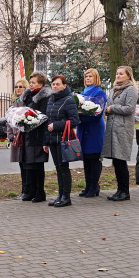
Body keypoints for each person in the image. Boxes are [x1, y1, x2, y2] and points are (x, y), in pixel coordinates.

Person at [102, 66, 138, 202]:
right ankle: (119, 190)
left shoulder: (131, 90)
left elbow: (129, 108)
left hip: (122, 129)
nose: (117, 75)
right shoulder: (113, 89)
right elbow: (108, 106)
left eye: (121, 74)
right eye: (117, 73)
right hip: (112, 128)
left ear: (128, 76)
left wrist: (112, 108)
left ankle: (125, 191)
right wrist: (107, 110)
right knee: (115, 161)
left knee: (121, 160)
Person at [43, 75, 79, 207]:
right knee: (58, 168)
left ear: (64, 85)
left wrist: (56, 126)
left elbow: (74, 121)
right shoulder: (51, 100)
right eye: (53, 84)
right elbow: (48, 121)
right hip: (52, 140)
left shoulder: (69, 100)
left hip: (63, 139)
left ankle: (66, 197)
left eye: (58, 84)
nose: (55, 86)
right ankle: (60, 195)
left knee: (64, 168)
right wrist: (45, 142)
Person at [19, 72, 53, 203]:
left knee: (37, 166)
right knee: (28, 165)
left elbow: (43, 116)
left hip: (38, 135)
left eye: (33, 82)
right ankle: (30, 191)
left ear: (41, 84)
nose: (31, 85)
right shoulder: (27, 96)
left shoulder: (44, 98)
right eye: (30, 82)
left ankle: (40, 192)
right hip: (27, 134)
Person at [77, 68, 107, 198]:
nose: (88, 78)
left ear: (96, 78)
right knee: (86, 159)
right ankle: (88, 185)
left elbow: (97, 113)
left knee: (94, 159)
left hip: (94, 129)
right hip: (83, 129)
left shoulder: (99, 92)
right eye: (86, 76)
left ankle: (94, 187)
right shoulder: (83, 92)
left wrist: (80, 119)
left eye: (90, 76)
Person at [9, 80, 29, 199]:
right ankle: (23, 190)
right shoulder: (13, 103)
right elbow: (8, 121)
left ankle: (27, 190)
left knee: (26, 165)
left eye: (20, 87)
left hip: (24, 137)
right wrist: (10, 135)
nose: (18, 89)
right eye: (16, 87)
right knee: (21, 165)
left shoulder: (25, 102)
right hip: (16, 137)